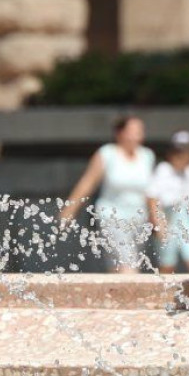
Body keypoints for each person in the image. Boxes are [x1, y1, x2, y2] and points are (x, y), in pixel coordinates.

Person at [60, 115, 155, 274]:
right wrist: (69, 210)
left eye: (140, 131)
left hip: (139, 218)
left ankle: (116, 298)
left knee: (119, 265)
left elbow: (151, 191)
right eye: (133, 131)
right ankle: (132, 298)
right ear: (120, 133)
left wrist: (156, 215)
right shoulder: (107, 153)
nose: (137, 136)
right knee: (128, 264)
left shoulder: (147, 155)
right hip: (112, 215)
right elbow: (88, 182)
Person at [146, 130, 189, 274]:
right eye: (179, 152)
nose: (183, 156)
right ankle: (164, 295)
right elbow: (152, 199)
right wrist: (158, 223)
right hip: (167, 218)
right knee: (167, 265)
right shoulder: (163, 170)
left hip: (186, 219)